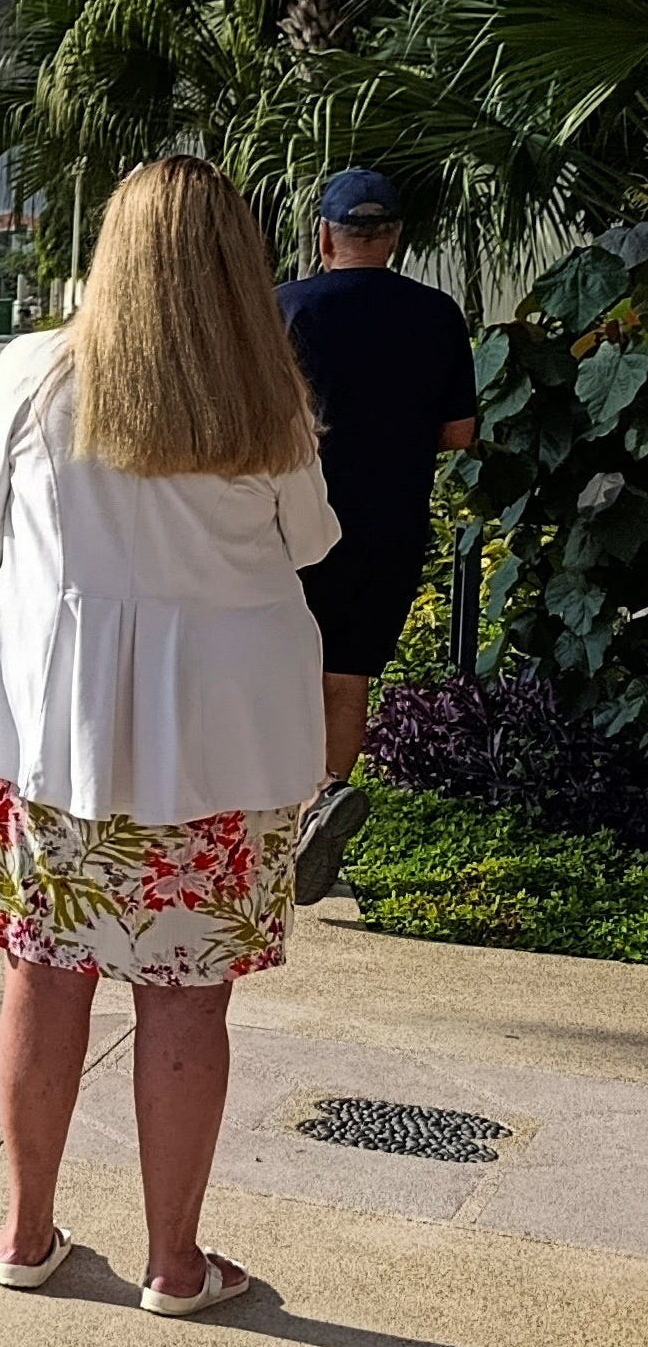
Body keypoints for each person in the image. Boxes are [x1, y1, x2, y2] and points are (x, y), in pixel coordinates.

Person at [0, 156, 339, 1319]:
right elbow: (314, 541)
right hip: (218, 751)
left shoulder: (33, 372)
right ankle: (176, 1262)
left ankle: (26, 1233)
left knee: (43, 974)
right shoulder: (262, 398)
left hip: (58, 735)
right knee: (187, 996)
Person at [278, 169, 478, 902]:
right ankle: (321, 800)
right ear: (393, 237)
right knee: (346, 674)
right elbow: (458, 431)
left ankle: (273, 819)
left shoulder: (285, 307)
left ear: (324, 235)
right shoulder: (435, 313)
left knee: (283, 668)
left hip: (291, 523)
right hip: (390, 522)